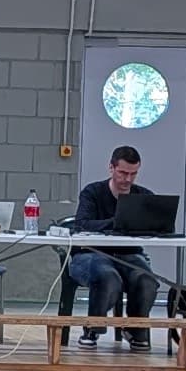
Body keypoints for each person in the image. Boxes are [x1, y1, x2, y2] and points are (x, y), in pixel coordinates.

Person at [66, 144, 165, 350]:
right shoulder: (92, 192)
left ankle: (136, 330)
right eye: (122, 173)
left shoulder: (143, 196)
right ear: (111, 168)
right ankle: (93, 329)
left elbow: (158, 226)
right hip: (90, 254)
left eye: (133, 174)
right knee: (107, 276)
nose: (127, 179)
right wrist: (117, 221)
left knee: (147, 280)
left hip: (128, 255)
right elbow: (82, 223)